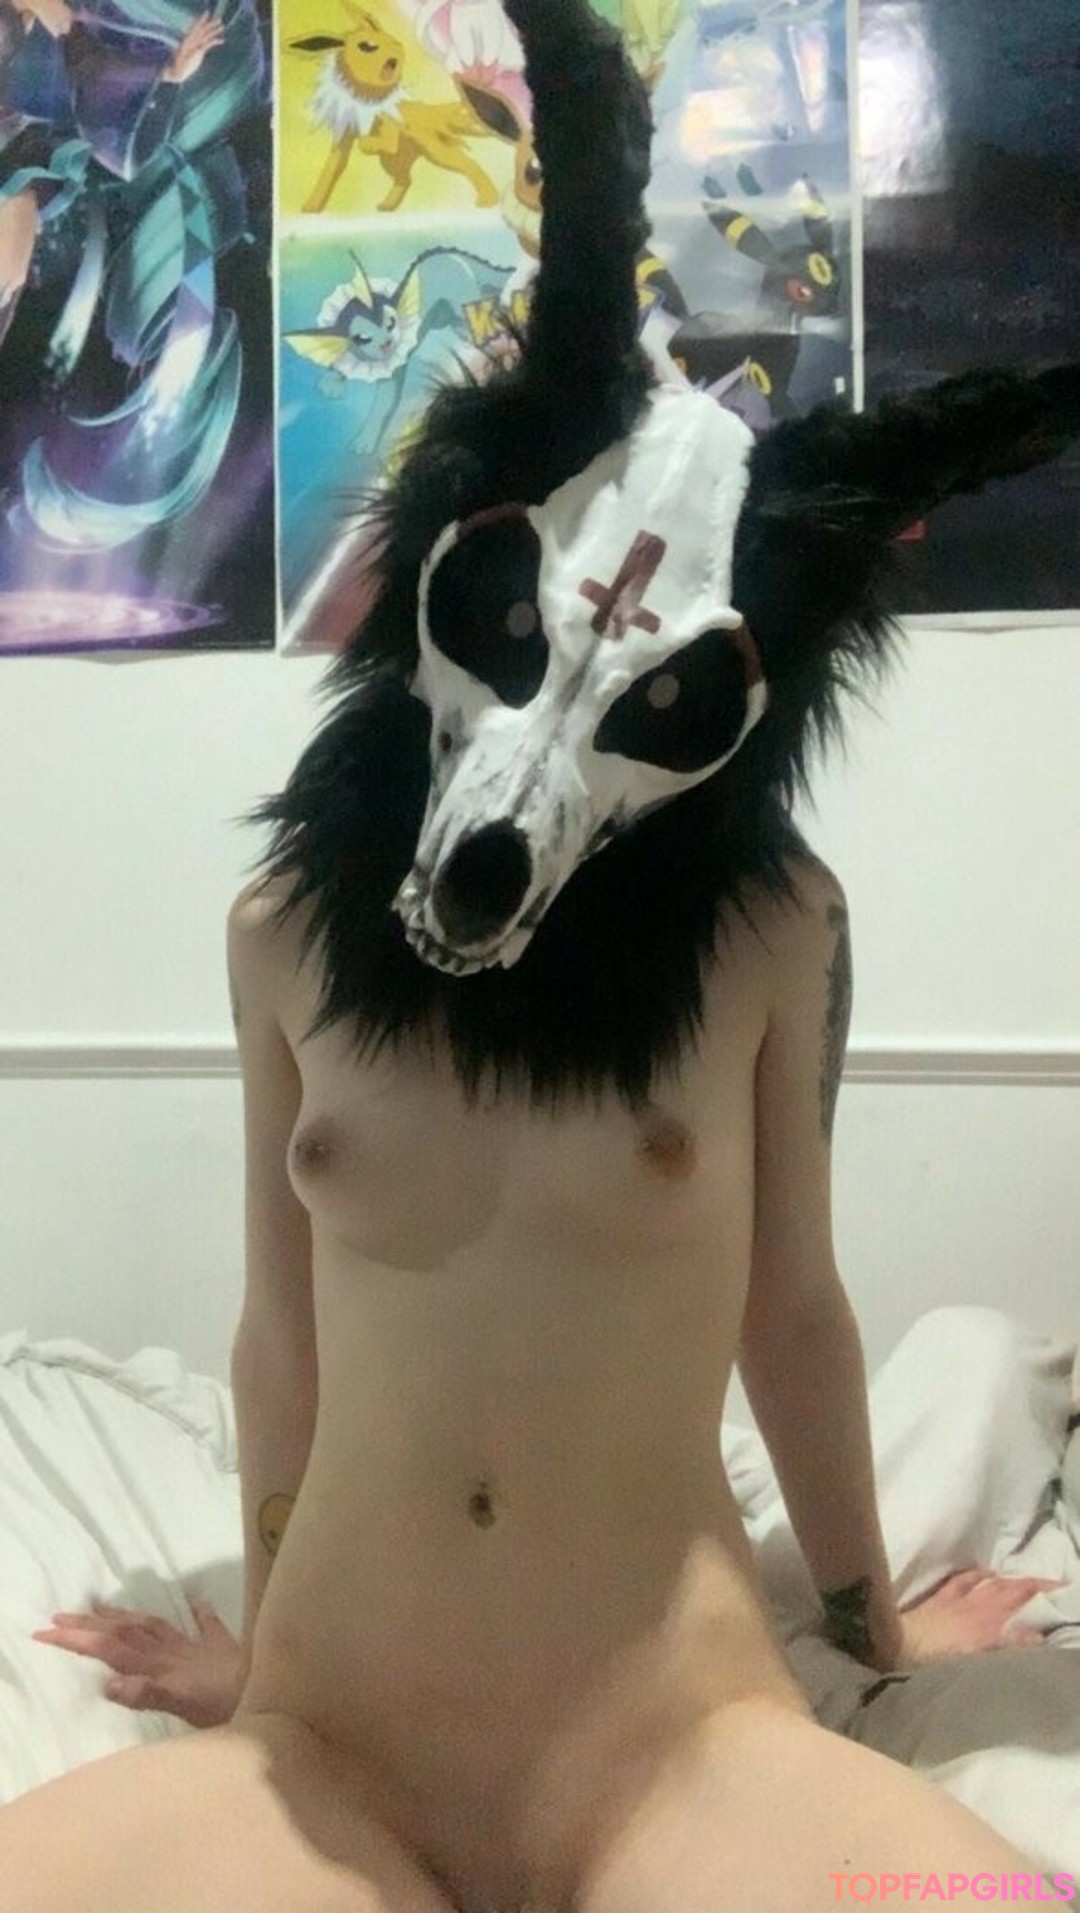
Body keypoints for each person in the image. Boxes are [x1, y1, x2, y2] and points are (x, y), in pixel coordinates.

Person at [6, 0, 1080, 1904]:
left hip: (681, 1731)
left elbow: (795, 1311)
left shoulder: (769, 931)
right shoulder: (282, 932)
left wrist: (872, 1632)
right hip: (325, 1738)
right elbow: (281, 1332)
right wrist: (261, 1652)